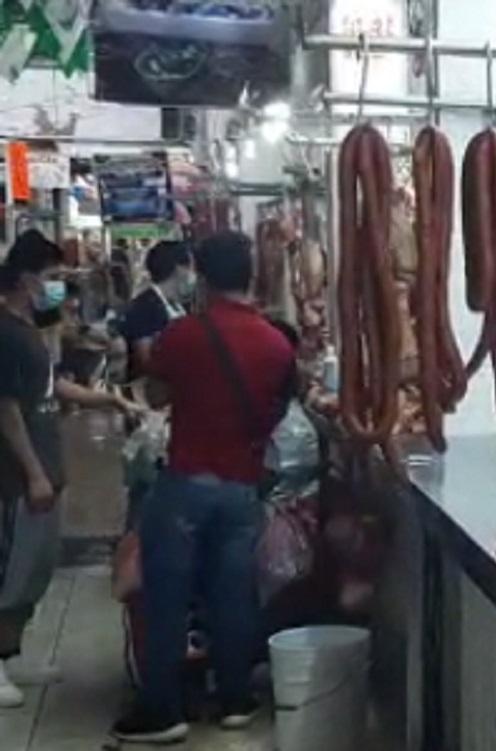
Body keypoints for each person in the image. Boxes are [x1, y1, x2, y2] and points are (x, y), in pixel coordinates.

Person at [113, 231, 295, 744]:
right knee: (233, 593)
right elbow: (277, 409)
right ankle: (235, 698)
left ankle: (163, 710)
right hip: (242, 490)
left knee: (167, 596)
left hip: (187, 483)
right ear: (252, 273)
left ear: (202, 274)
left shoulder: (183, 335)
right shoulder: (277, 343)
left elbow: (156, 392)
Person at [0, 230, 140, 708]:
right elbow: (7, 408)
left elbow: (50, 388)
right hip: (16, 475)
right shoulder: (4, 331)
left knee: (34, 571)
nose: (59, 287)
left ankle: (12, 654)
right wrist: (34, 472)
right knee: (10, 570)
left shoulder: (28, 329)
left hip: (44, 464)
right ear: (25, 279)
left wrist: (107, 397)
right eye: (53, 278)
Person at [120, 241, 194, 382]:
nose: (193, 274)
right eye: (191, 267)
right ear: (179, 269)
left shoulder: (177, 305)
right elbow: (145, 361)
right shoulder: (145, 307)